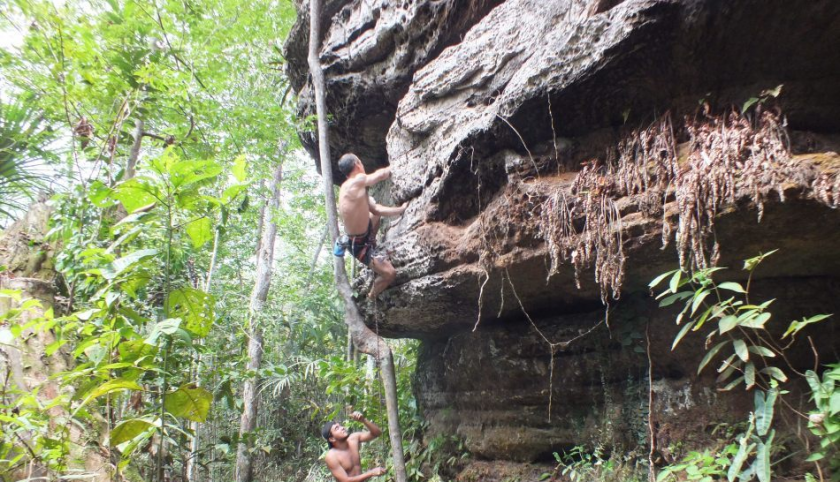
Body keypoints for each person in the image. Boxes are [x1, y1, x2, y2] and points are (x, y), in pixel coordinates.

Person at [337, 153, 407, 298]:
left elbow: (377, 210)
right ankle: (371, 296)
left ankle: (373, 244)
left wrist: (401, 210)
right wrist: (399, 162)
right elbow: (380, 175)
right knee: (390, 273)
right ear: (357, 163)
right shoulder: (356, 181)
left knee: (374, 209)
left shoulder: (352, 188)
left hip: (363, 236)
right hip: (358, 246)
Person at [321, 411, 386, 482]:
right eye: (337, 428)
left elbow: (377, 433)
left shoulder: (353, 439)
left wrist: (363, 420)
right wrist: (371, 473)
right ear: (332, 439)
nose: (342, 428)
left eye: (340, 426)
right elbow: (345, 480)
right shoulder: (331, 457)